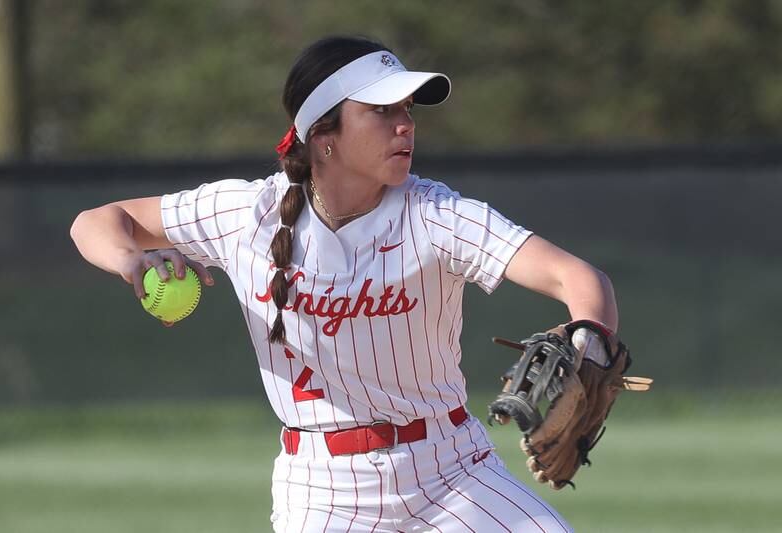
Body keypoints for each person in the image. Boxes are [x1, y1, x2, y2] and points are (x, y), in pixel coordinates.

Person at [71, 35, 619, 533]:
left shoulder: (435, 214)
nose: (404, 124)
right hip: (323, 490)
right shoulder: (248, 215)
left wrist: (589, 337)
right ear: (324, 134)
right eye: (382, 111)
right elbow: (96, 221)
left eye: (407, 110)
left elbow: (577, 278)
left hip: (454, 472)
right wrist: (130, 260)